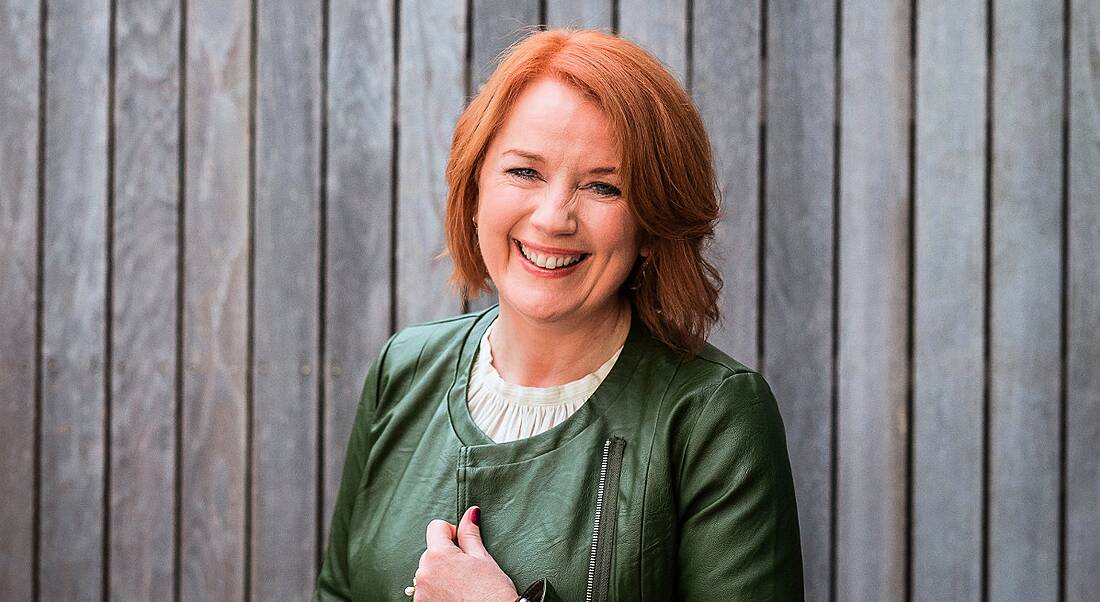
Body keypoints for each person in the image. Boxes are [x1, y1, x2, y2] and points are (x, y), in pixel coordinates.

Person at [314, 28, 803, 601]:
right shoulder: (403, 369)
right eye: (525, 172)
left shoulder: (714, 419)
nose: (553, 218)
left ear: (651, 226)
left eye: (603, 187)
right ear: (475, 187)